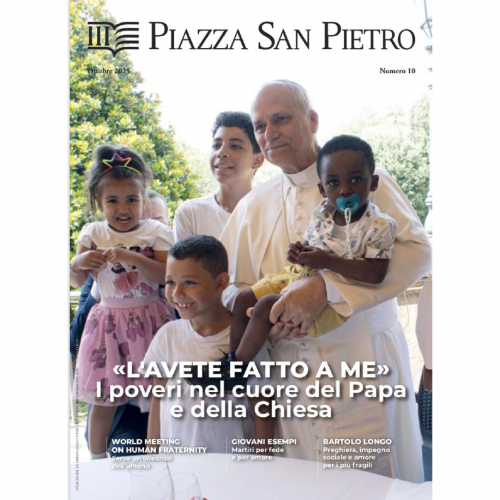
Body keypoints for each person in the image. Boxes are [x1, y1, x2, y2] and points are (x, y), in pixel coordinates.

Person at [220, 80, 432, 482]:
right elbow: (232, 285)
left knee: (376, 484)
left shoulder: (364, 178)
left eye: (281, 119)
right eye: (260, 126)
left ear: (312, 120)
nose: (269, 133)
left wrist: (326, 288)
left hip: (362, 360)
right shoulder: (253, 204)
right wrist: (257, 311)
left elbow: (419, 252)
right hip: (292, 378)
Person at [213, 136, 397, 380]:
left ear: (373, 183)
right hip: (297, 275)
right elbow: (314, 246)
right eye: (333, 182)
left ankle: (236, 371)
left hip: (333, 304)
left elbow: (376, 273)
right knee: (243, 299)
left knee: (265, 306)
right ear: (322, 190)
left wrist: (326, 262)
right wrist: (300, 252)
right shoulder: (323, 212)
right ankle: (232, 363)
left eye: (355, 179)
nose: (345, 189)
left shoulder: (380, 225)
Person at [70, 145, 176, 459]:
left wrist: (133, 258)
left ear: (144, 199)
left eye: (132, 199)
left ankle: (159, 455)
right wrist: (79, 262)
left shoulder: (156, 231)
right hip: (108, 325)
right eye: (112, 200)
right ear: (99, 202)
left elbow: (166, 275)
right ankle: (97, 460)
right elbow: (75, 281)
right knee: (104, 398)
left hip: (151, 321)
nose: (123, 208)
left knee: (157, 394)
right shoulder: (92, 233)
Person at [144, 236, 274, 452]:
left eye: (189, 283)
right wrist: (152, 453)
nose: (176, 293)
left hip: (232, 464)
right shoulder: (168, 335)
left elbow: (263, 408)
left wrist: (263, 460)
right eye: (170, 282)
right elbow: (158, 399)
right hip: (177, 463)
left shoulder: (247, 339)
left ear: (221, 283)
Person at [174, 111, 264, 241]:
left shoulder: (271, 213)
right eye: (216, 145)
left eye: (235, 146)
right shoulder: (190, 213)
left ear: (257, 160)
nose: (221, 152)